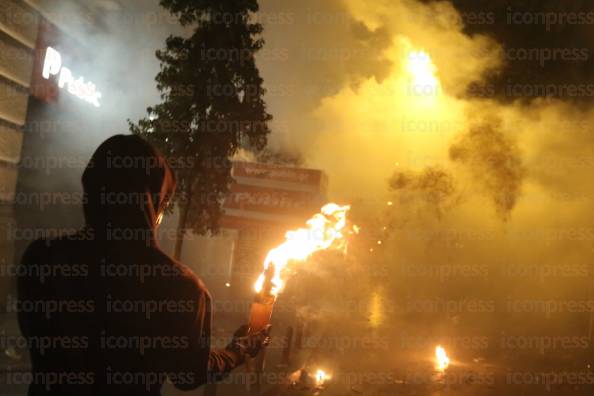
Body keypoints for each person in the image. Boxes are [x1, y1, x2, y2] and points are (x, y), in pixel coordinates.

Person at [17, 135, 270, 396]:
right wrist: (237, 351)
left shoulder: (41, 258)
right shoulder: (180, 287)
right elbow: (188, 374)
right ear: (153, 204)